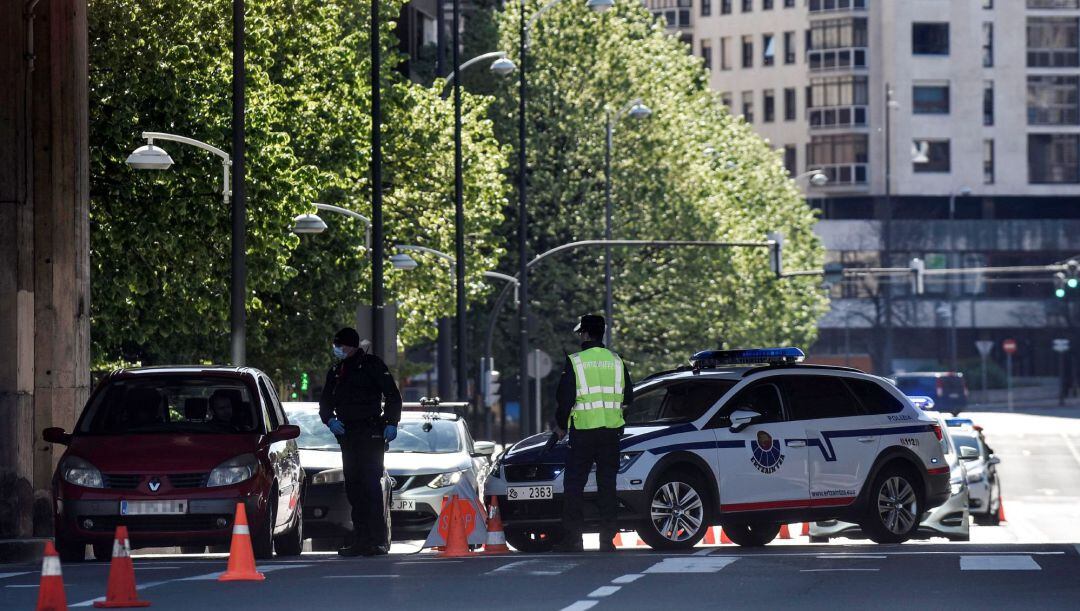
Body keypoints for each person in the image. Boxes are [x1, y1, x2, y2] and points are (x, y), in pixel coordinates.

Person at [552, 314, 633, 553]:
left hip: (584, 433)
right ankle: (607, 540)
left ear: (585, 333)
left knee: (574, 485)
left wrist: (560, 425)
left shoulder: (576, 361)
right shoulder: (617, 361)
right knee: (607, 485)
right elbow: (628, 397)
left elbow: (564, 399)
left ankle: (573, 539)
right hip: (610, 434)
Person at [319, 327, 403, 556]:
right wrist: (330, 420)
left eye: (341, 346)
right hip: (348, 434)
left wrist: (391, 422)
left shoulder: (372, 366)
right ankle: (361, 538)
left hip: (371, 432)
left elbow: (393, 396)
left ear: (352, 345)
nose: (337, 350)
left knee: (370, 486)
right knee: (354, 487)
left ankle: (377, 540)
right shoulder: (337, 371)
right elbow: (325, 403)